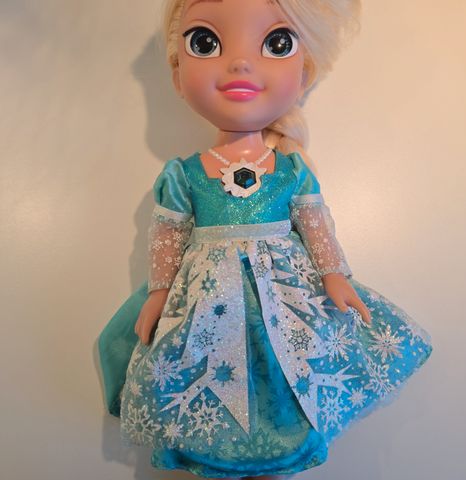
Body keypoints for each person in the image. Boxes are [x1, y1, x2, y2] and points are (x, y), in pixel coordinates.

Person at [98, 0, 433, 478]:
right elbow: (169, 234)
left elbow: (316, 226)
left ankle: (278, 443)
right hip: (206, 304)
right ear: (177, 77)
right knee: (208, 374)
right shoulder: (185, 174)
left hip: (286, 300)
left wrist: (334, 275)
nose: (240, 63)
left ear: (302, 75)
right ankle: (218, 447)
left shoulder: (291, 170)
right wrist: (158, 292)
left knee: (285, 371)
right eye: (205, 43)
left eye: (277, 44)